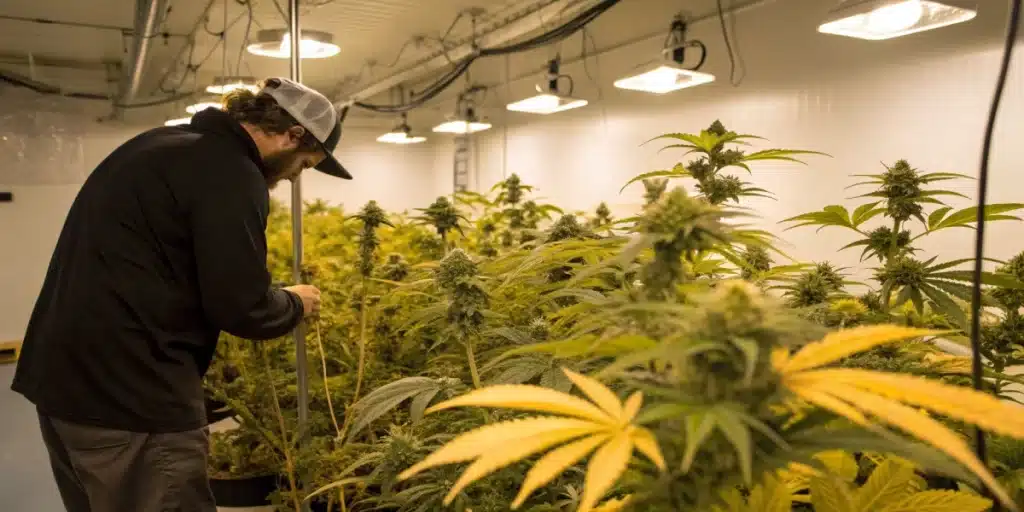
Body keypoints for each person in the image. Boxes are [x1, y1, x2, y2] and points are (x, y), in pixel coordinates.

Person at [10, 77, 352, 512]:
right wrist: (294, 302)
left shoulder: (159, 145)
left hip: (65, 387)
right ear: (293, 135)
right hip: (133, 401)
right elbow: (243, 307)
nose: (292, 177)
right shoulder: (231, 171)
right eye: (303, 164)